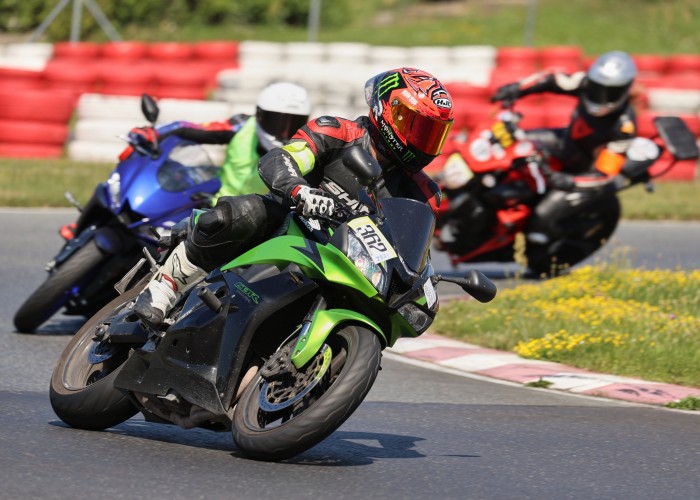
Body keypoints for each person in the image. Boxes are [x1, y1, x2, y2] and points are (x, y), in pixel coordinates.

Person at [132, 67, 454, 327]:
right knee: (244, 213)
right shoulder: (336, 132)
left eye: (430, 134)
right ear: (387, 111)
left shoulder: (424, 191)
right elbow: (282, 158)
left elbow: (413, 250)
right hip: (290, 224)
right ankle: (166, 285)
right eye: (415, 127)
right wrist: (300, 190)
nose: (421, 142)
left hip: (346, 262)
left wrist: (423, 284)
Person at [490, 50, 640, 243]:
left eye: (609, 92)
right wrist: (517, 88)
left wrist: (568, 181)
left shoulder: (624, 126)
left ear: (625, 89)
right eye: (597, 88)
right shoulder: (585, 83)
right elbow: (551, 79)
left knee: (542, 218)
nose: (600, 97)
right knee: (514, 143)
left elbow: (604, 174)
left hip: (581, 171)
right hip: (566, 144)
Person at [125, 81, 311, 203]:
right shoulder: (241, 126)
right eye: (277, 121)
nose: (284, 131)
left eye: (294, 123)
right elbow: (191, 128)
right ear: (260, 115)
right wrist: (153, 133)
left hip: (260, 223)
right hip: (213, 204)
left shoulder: (305, 151)